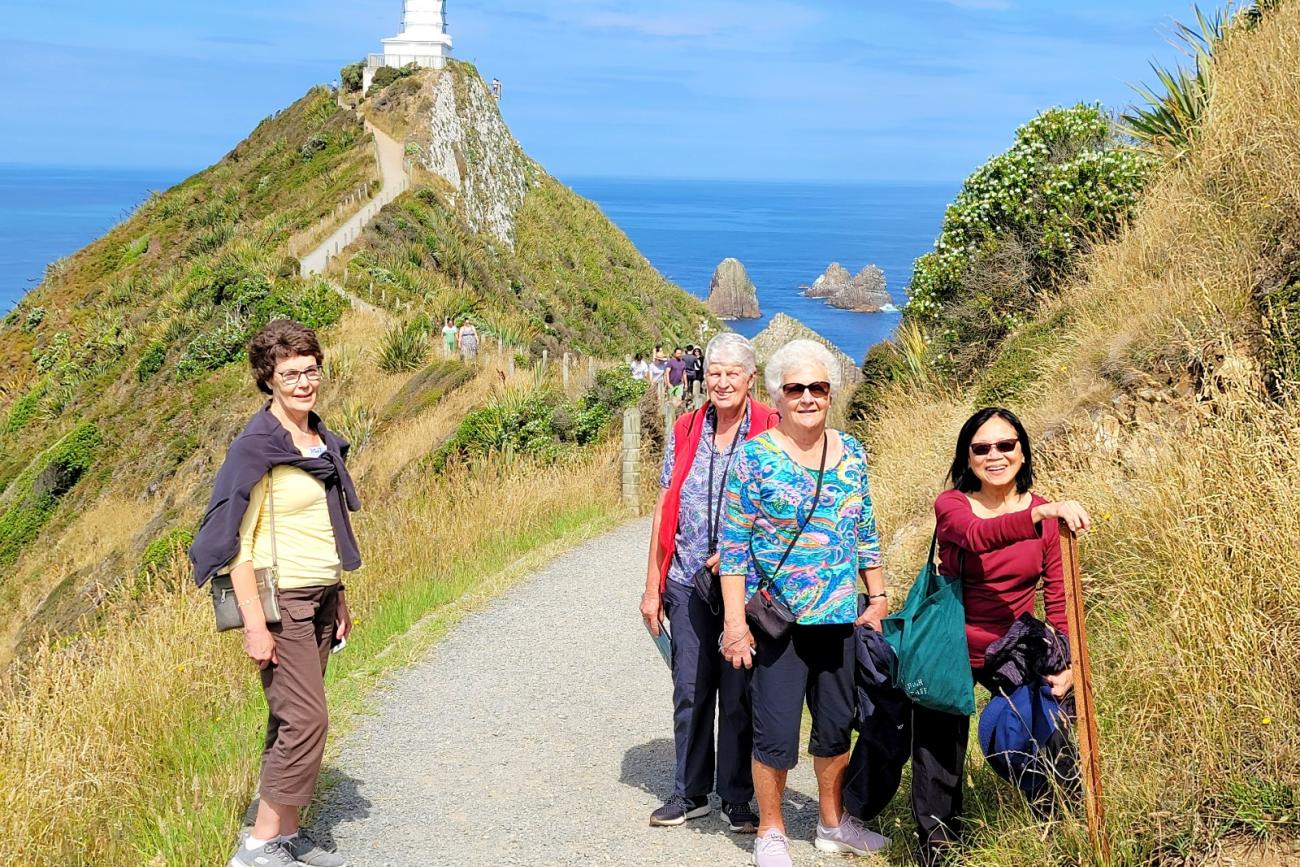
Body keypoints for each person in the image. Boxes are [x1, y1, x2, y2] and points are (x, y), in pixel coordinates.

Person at [189, 319, 362, 867]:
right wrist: (255, 626)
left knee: (288, 719)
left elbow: (326, 531)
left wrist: (340, 598)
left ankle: (285, 833)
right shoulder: (256, 446)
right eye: (290, 374)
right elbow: (237, 544)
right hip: (280, 602)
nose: (304, 382)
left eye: (311, 370)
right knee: (308, 721)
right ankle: (259, 846)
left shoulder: (316, 439)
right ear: (269, 380)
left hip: (320, 598)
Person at [719, 339, 891, 866]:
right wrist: (733, 622)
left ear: (831, 393)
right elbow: (732, 546)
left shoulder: (853, 451)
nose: (809, 397)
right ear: (777, 396)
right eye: (797, 388)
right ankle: (770, 831)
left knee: (836, 726)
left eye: (819, 387)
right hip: (778, 623)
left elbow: (863, 527)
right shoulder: (755, 457)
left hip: (839, 617)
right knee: (773, 730)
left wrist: (878, 593)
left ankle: (831, 823)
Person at [912, 406, 1090, 865]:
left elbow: (1059, 596)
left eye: (1006, 445)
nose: (995, 455)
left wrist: (1070, 663)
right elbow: (977, 536)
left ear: (1022, 452)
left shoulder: (1041, 515)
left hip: (1010, 641)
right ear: (967, 457)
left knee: (1045, 724)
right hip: (950, 640)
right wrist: (1042, 513)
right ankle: (939, 850)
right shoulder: (952, 505)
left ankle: (1064, 825)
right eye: (982, 448)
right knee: (939, 748)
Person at [641, 333, 779, 834]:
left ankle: (737, 796)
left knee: (739, 692)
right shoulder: (686, 427)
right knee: (691, 688)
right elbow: (664, 506)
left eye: (732, 374)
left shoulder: (771, 429)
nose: (721, 382)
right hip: (684, 579)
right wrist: (652, 584)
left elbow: (782, 510)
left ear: (750, 379)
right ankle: (690, 792)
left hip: (745, 584)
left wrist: (743, 550)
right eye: (715, 373)